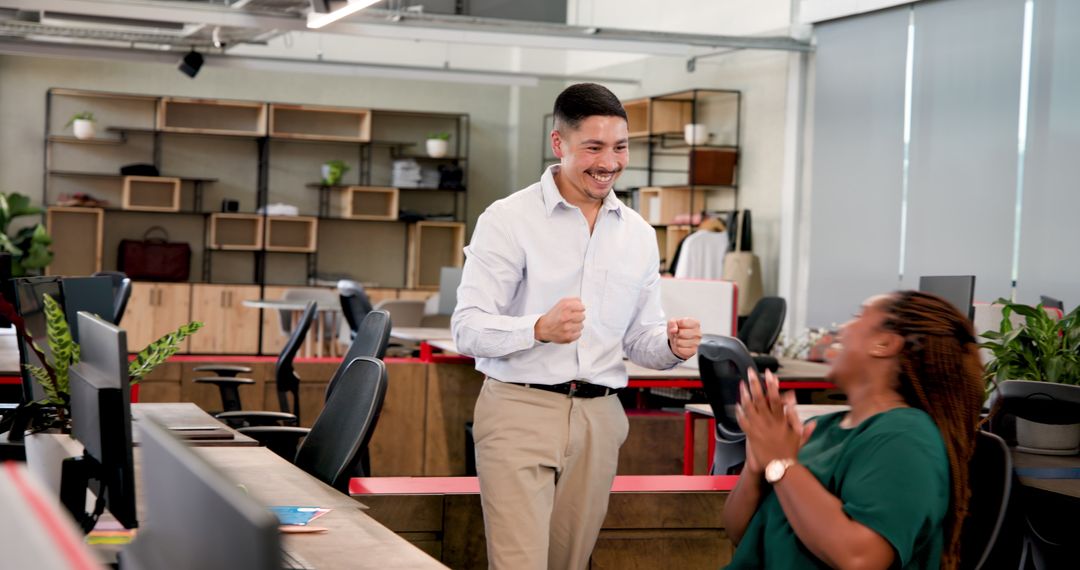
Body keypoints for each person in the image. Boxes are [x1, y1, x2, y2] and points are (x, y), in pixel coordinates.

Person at [451, 83, 702, 570]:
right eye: (593, 147)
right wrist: (537, 329)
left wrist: (670, 345)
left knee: (569, 563)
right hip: (520, 409)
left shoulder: (638, 235)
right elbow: (468, 329)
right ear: (559, 143)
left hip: (601, 419)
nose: (609, 162)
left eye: (620, 147)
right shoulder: (508, 219)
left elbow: (638, 341)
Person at [723, 291, 984, 569]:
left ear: (884, 343)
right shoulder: (823, 428)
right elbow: (738, 531)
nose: (842, 328)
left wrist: (782, 464)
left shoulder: (906, 439)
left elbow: (860, 558)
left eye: (858, 316)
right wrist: (756, 466)